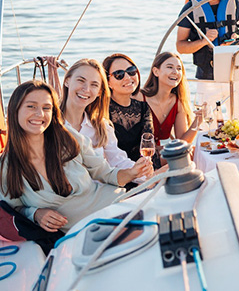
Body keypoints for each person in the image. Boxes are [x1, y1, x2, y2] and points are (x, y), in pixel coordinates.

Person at [0, 81, 143, 232]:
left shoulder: (68, 138)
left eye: (46, 108)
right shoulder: (7, 166)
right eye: (31, 106)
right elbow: (13, 210)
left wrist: (132, 173)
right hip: (80, 234)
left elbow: (105, 174)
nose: (40, 114)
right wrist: (35, 214)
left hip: (116, 207)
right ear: (15, 110)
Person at [60, 59, 153, 183]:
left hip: (101, 193)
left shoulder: (101, 126)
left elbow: (117, 160)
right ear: (67, 81)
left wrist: (142, 172)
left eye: (94, 85)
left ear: (99, 92)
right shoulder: (49, 123)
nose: (86, 89)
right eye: (81, 80)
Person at [102, 54, 157, 167]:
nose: (127, 77)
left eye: (131, 71)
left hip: (141, 172)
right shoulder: (101, 110)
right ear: (108, 82)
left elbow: (149, 146)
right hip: (113, 175)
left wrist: (153, 177)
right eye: (119, 75)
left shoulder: (143, 108)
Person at [141, 52, 202, 144]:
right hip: (136, 154)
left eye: (179, 68)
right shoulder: (140, 98)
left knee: (190, 152)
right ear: (156, 71)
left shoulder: (177, 102)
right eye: (170, 67)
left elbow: (182, 142)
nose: (175, 72)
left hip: (156, 153)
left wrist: (198, 120)